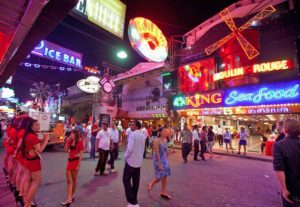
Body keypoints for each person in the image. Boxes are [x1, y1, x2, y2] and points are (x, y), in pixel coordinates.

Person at [21, 118, 49, 207]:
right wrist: (46, 140)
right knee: (37, 182)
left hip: (28, 160)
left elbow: (33, 146)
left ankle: (27, 201)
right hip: (33, 162)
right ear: (31, 127)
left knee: (28, 180)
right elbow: (40, 150)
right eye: (36, 125)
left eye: (38, 124)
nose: (38, 126)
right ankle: (27, 203)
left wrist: (41, 140)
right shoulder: (32, 136)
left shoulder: (28, 135)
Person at [273, 119, 300, 207]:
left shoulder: (279, 145)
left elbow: (279, 168)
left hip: (291, 187)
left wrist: (284, 189)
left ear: (285, 130)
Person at [123, 121, 147, 207]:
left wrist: (125, 156)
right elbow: (143, 149)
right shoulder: (143, 136)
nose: (131, 126)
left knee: (126, 180)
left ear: (136, 126)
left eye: (132, 125)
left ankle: (132, 201)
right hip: (138, 162)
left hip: (131, 161)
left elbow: (129, 149)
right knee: (135, 181)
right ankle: (134, 200)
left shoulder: (133, 135)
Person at [60, 129, 84, 206]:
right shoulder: (70, 141)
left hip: (75, 162)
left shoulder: (80, 142)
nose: (71, 135)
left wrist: (78, 165)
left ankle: (70, 196)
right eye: (71, 134)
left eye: (72, 134)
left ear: (75, 135)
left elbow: (80, 155)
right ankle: (69, 197)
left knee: (73, 179)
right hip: (70, 161)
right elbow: (65, 150)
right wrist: (67, 141)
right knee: (69, 180)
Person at [148, 128, 172, 199]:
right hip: (158, 160)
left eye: (166, 131)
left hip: (164, 159)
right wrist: (159, 164)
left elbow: (165, 150)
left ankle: (163, 192)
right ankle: (151, 184)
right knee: (160, 176)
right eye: (164, 131)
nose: (166, 132)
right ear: (160, 132)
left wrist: (167, 156)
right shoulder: (156, 140)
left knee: (165, 175)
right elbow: (157, 153)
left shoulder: (165, 140)